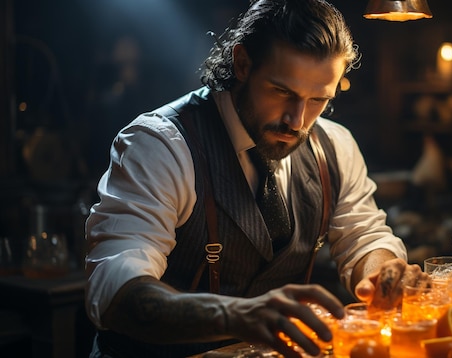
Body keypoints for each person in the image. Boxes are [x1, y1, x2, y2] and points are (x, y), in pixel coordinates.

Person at [84, 1, 427, 357]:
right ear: (242, 63)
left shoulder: (334, 147)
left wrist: (383, 274)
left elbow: (364, 238)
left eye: (317, 100)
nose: (297, 121)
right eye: (282, 92)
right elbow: (115, 293)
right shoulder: (161, 145)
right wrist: (233, 314)